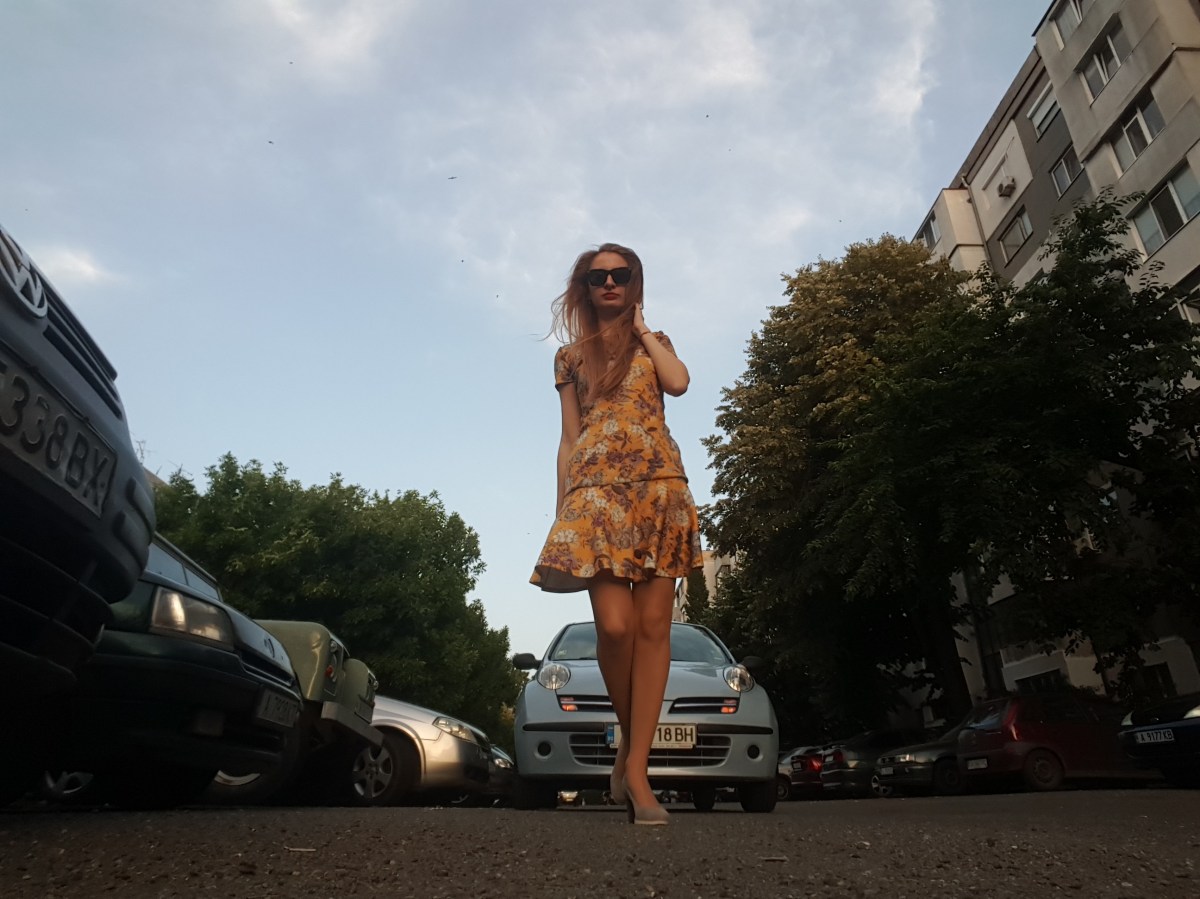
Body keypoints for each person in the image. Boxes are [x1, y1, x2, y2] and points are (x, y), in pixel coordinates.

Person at [531, 242, 703, 826]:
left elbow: (679, 384)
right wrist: (562, 511)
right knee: (615, 626)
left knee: (654, 628)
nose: (609, 283)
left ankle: (636, 771)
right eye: (598, 276)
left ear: (634, 283)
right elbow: (568, 437)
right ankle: (632, 748)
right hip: (595, 496)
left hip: (659, 487)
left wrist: (644, 329)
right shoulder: (569, 357)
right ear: (584, 287)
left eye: (621, 274)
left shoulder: (655, 344)